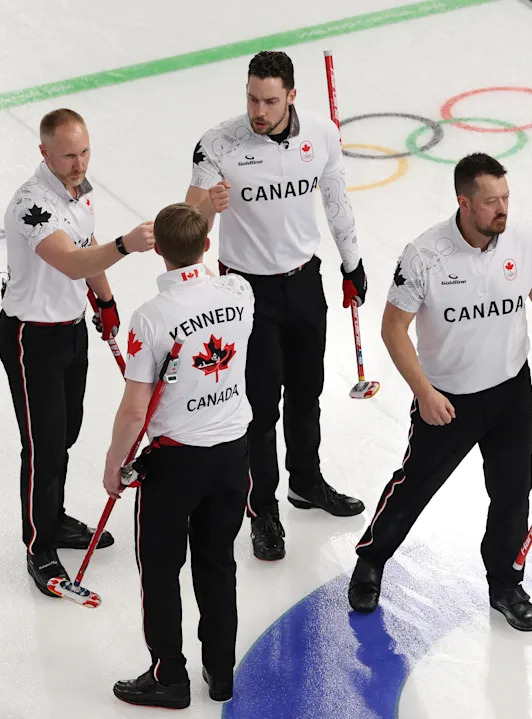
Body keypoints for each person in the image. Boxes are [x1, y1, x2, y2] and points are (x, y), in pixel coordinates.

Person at [347, 153, 532, 631]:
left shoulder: (524, 241)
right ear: (464, 203)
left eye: (506, 198)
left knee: (513, 492)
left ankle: (505, 583)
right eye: (491, 201)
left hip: (512, 391)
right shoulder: (424, 255)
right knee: (415, 487)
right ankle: (371, 561)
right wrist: (424, 391)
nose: (503, 209)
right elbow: (393, 330)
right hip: (448, 400)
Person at [185, 50, 368, 561]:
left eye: (269, 100)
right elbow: (185, 230)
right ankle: (262, 509)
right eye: (251, 98)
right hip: (246, 292)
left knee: (307, 391)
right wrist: (206, 208)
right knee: (261, 407)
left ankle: (306, 482)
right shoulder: (218, 143)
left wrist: (351, 263)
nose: (257, 111)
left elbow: (336, 198)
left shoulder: (322, 134)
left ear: (291, 96)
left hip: (305, 281)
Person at [0, 108, 155, 598]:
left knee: (66, 431)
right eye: (67, 155)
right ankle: (39, 547)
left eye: (84, 152)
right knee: (43, 443)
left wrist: (104, 301)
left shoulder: (80, 194)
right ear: (44, 152)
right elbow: (70, 260)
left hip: (70, 332)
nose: (78, 163)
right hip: (31, 338)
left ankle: (55, 515)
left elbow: (87, 256)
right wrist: (125, 245)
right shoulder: (32, 205)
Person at [105, 203, 254, 709]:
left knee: (161, 569)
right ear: (206, 245)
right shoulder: (239, 293)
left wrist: (113, 465)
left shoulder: (151, 318)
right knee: (218, 564)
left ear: (158, 252)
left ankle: (170, 676)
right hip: (234, 455)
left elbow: (134, 408)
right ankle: (221, 670)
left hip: (175, 464)